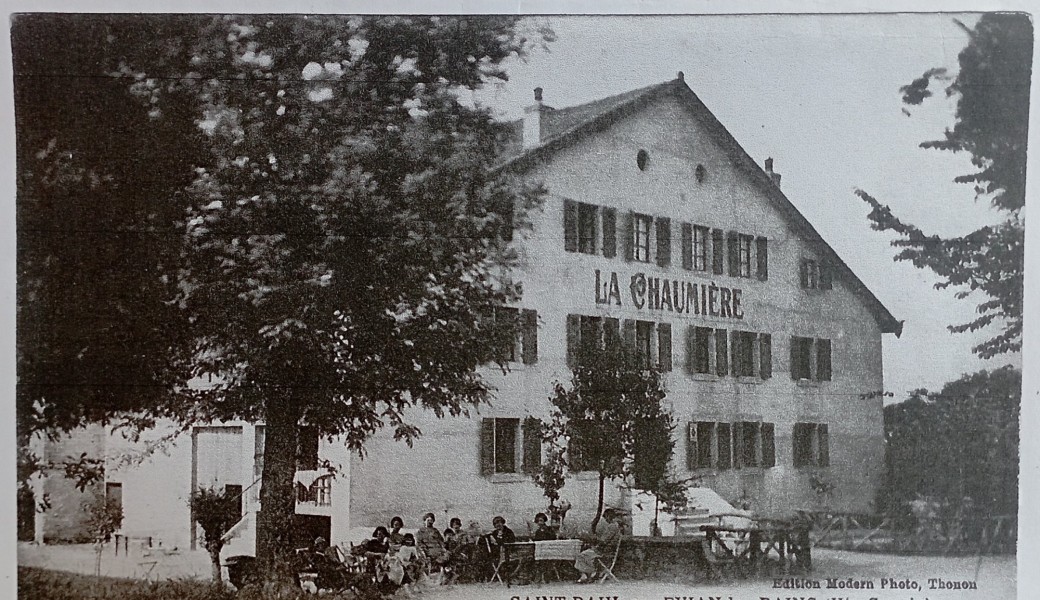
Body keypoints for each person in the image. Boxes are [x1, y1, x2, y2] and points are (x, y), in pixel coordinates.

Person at [574, 508, 622, 583]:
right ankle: (587, 574)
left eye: (605, 517)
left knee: (581, 555)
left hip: (604, 552)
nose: (606, 520)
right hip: (607, 550)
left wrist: (591, 537)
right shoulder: (616, 526)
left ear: (609, 516)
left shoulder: (612, 527)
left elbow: (603, 541)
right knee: (585, 553)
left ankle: (589, 573)